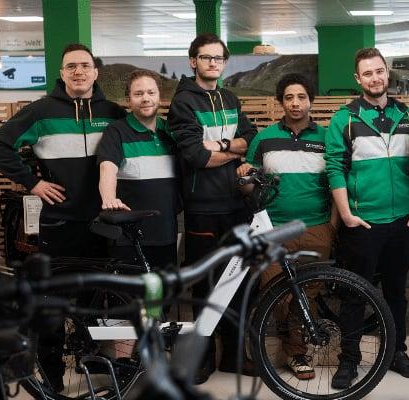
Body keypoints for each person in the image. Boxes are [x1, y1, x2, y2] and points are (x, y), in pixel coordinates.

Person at [0, 43, 126, 392]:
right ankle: (51, 380)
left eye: (85, 65)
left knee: (99, 300)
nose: (78, 72)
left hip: (102, 224)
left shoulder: (114, 112)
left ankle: (91, 359)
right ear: (61, 73)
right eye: (70, 67)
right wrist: (32, 182)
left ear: (95, 72)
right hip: (57, 224)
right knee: (51, 305)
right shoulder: (40, 112)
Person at [324, 48, 409, 389]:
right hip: (363, 224)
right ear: (358, 79)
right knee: (355, 294)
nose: (375, 78)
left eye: (379, 71)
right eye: (368, 73)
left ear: (387, 73)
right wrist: (348, 215)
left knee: (396, 292)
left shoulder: (407, 115)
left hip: (402, 223)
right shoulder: (345, 118)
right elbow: (335, 168)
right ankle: (348, 361)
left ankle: (396, 353)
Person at [168, 33, 258, 382]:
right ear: (193, 61)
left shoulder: (230, 97)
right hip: (202, 207)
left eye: (218, 58)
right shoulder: (183, 103)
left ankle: (234, 357)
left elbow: (248, 137)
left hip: (237, 203)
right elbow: (196, 156)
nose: (213, 64)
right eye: (206, 58)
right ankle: (202, 358)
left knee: (237, 280)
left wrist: (223, 145)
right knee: (204, 286)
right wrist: (230, 152)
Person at [236, 72, 335, 381]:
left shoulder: (326, 138)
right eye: (289, 97)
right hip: (273, 229)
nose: (295, 103)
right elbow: (249, 188)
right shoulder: (263, 139)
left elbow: (336, 185)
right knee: (277, 293)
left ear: (311, 100)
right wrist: (244, 178)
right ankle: (290, 351)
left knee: (307, 294)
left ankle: (298, 353)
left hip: (316, 228)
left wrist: (332, 228)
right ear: (280, 101)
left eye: (301, 97)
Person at [97, 69, 180, 270]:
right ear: (128, 100)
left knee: (165, 295)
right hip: (129, 237)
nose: (145, 99)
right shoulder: (117, 131)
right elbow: (107, 169)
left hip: (166, 233)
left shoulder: (172, 131)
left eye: (151, 93)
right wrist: (109, 198)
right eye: (138, 94)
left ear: (160, 97)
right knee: (129, 298)